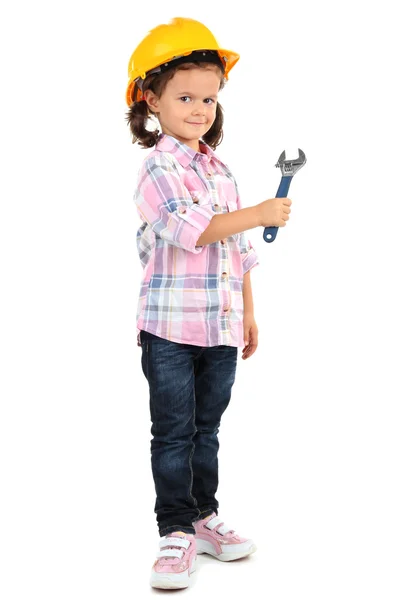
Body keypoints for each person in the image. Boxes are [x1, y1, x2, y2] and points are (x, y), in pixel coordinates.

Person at [125, 17, 292, 590]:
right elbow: (193, 231)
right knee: (172, 431)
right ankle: (174, 529)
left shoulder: (221, 171)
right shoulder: (158, 168)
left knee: (206, 429)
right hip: (170, 331)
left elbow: (236, 250)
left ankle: (202, 517)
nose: (200, 109)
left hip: (219, 327)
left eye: (210, 98)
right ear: (152, 99)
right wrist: (264, 211)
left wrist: (248, 311)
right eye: (186, 96)